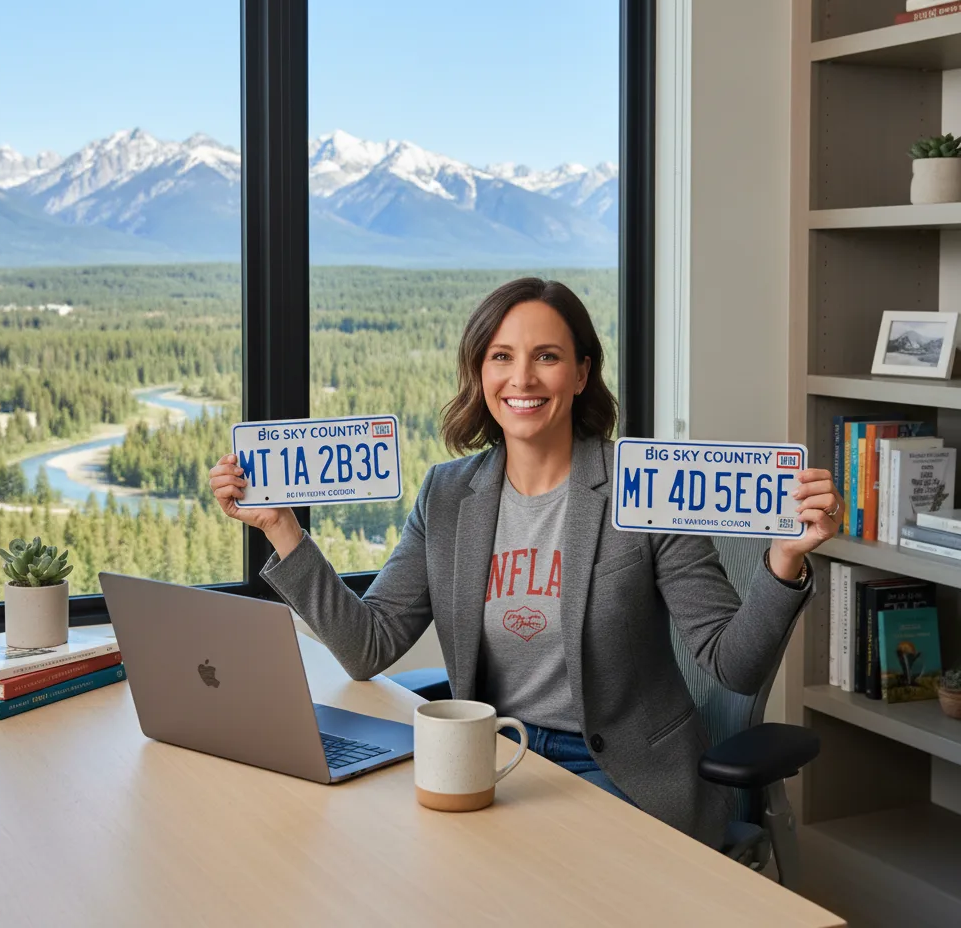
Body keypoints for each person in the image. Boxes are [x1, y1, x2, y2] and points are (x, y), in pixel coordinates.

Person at [209, 277, 841, 848]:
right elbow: (368, 647)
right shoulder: (448, 494)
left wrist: (783, 560)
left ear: (581, 372)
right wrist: (283, 531)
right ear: (480, 373)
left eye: (547, 357)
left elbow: (733, 664)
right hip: (493, 758)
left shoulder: (641, 487)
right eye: (501, 357)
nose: (523, 379)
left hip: (624, 773)